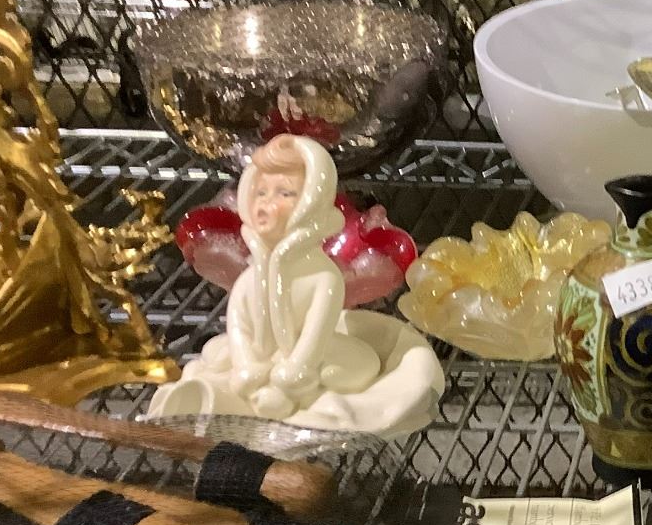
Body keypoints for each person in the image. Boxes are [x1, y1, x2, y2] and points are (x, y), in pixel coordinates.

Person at [150, 134, 441, 434]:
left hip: (303, 365)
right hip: (261, 365)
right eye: (260, 192)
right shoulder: (252, 275)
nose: (266, 204)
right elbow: (239, 326)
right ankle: (262, 394)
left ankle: (280, 396)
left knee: (363, 365)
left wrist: (297, 368)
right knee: (220, 351)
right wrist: (247, 363)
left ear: (311, 203)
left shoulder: (323, 277)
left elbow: (316, 335)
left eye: (284, 193)